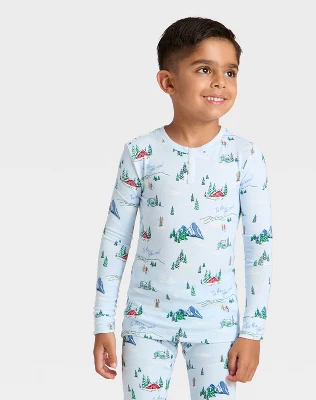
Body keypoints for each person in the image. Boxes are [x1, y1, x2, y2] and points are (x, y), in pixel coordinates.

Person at [93, 16, 273, 400]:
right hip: (145, 321)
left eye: (230, 72)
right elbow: (115, 240)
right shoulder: (140, 152)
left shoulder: (245, 156)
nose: (220, 82)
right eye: (204, 69)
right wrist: (102, 323)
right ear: (168, 82)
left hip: (217, 325)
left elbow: (259, 247)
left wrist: (252, 332)